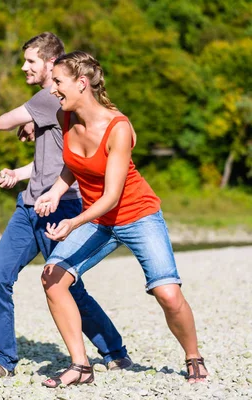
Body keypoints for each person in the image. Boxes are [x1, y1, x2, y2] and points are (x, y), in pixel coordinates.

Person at [34, 50, 208, 387]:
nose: (52, 88)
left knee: (168, 295)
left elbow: (112, 197)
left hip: (137, 215)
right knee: (52, 277)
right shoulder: (64, 116)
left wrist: (72, 222)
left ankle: (193, 356)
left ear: (81, 83)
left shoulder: (118, 127)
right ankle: (81, 366)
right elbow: (75, 163)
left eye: (58, 81)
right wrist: (56, 191)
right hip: (99, 220)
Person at [0, 33, 131, 379]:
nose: (24, 67)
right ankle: (2, 360)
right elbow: (52, 160)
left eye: (31, 61)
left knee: (67, 285)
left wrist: (30, 117)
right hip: (29, 203)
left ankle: (114, 351)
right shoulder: (54, 104)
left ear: (49, 63)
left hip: (61, 206)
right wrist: (19, 172)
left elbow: (1, 122)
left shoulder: (48, 99)